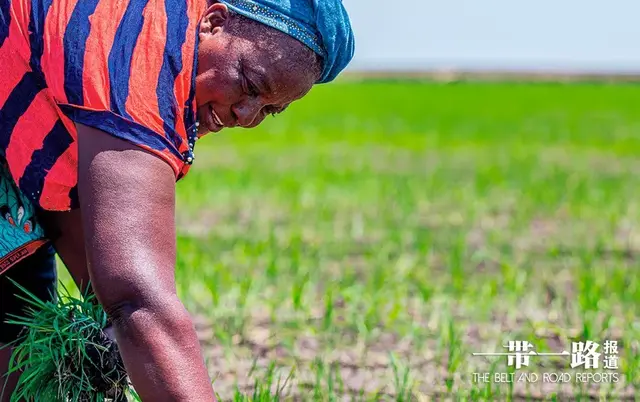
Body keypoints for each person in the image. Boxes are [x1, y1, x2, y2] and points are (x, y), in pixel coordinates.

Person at [0, 0, 354, 400]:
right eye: (250, 84)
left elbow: (70, 206)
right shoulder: (136, 53)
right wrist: (132, 322)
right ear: (214, 22)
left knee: (19, 346)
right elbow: (137, 296)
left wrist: (113, 331)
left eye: (270, 110)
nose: (246, 114)